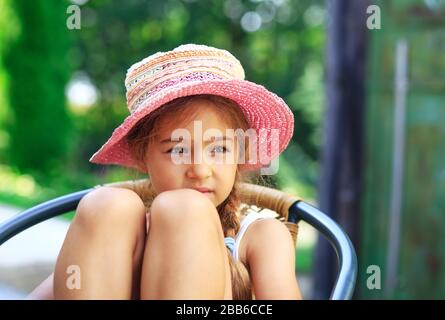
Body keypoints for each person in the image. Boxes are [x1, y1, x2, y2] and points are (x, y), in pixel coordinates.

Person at [28, 44, 302, 300]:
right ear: (143, 156)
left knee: (184, 209)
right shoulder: (120, 233)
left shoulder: (260, 236)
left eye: (219, 150)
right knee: (107, 202)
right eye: (177, 150)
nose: (199, 169)